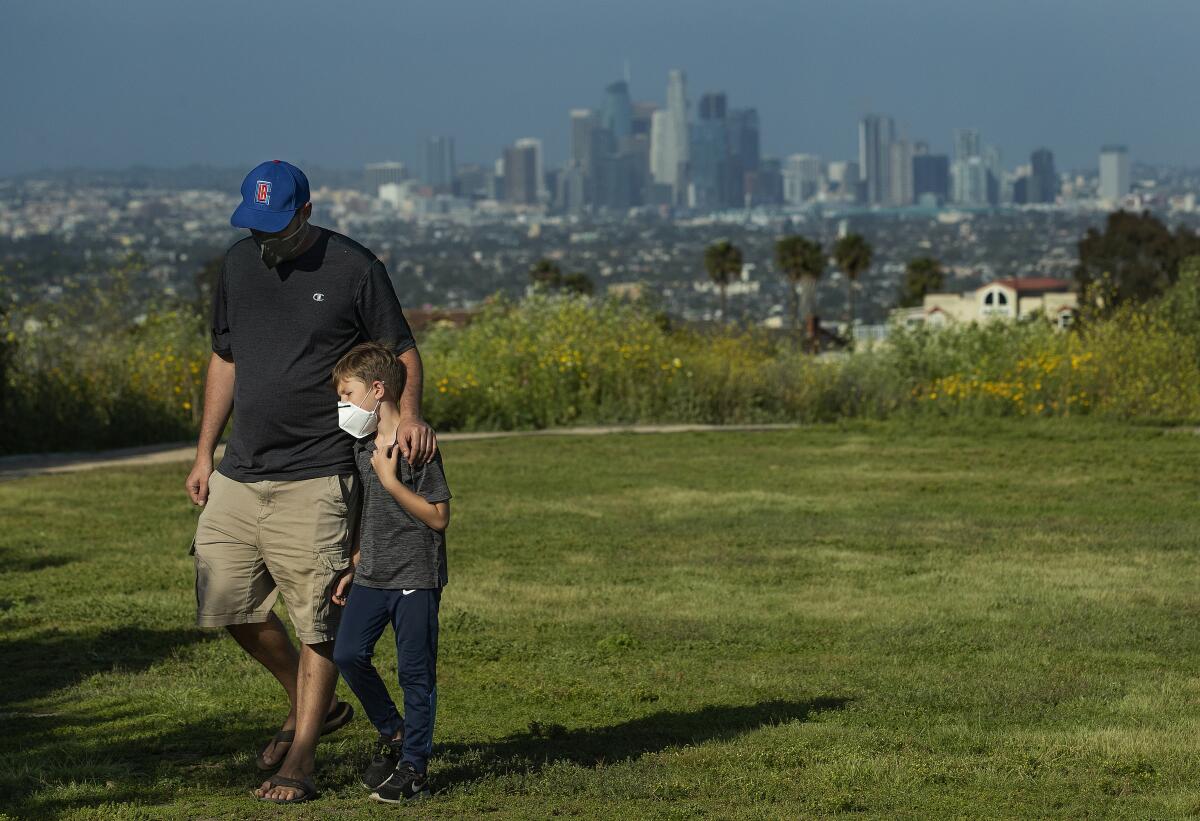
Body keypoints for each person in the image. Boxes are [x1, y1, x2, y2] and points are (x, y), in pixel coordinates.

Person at [184, 160, 437, 804]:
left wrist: (405, 416)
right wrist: (204, 450)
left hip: (320, 472)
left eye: (276, 226)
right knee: (225, 601)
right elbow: (225, 356)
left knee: (318, 619)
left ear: (305, 212)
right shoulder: (238, 266)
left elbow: (400, 349)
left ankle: (300, 759)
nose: (265, 240)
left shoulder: (355, 268)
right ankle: (313, 705)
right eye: (255, 227)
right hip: (241, 468)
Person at [329, 342, 452, 804]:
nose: (342, 405)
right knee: (347, 654)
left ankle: (415, 767)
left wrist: (391, 480)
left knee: (415, 674)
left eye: (347, 394)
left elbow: (438, 517)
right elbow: (369, 513)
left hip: (415, 577)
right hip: (371, 576)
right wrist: (354, 563)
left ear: (377, 390)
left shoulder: (417, 446)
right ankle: (394, 730)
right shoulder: (362, 447)